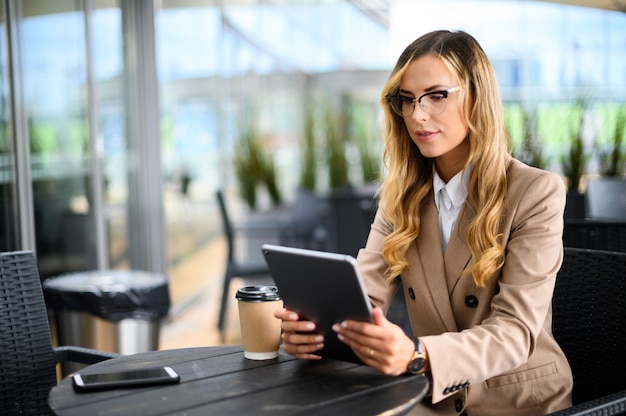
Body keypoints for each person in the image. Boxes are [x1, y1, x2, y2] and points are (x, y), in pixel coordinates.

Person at [274, 30, 573, 415]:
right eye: (408, 100)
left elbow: (514, 333)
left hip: (519, 402)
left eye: (436, 95)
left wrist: (417, 354)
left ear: (476, 96)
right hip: (436, 396)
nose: (418, 115)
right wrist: (314, 332)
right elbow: (363, 296)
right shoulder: (401, 196)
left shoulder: (535, 192)